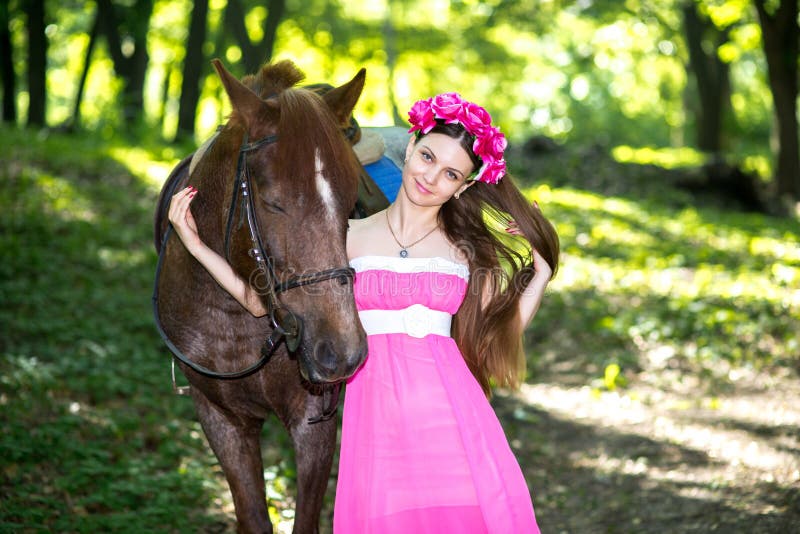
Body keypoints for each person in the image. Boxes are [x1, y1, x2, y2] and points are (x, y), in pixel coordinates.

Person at [168, 92, 559, 533]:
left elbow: (498, 336)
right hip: (379, 429)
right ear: (409, 147)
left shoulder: (466, 252)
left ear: (464, 187)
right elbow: (260, 302)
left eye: (450, 173)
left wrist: (539, 275)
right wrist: (196, 246)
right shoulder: (346, 238)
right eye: (427, 156)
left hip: (454, 423)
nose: (430, 177)